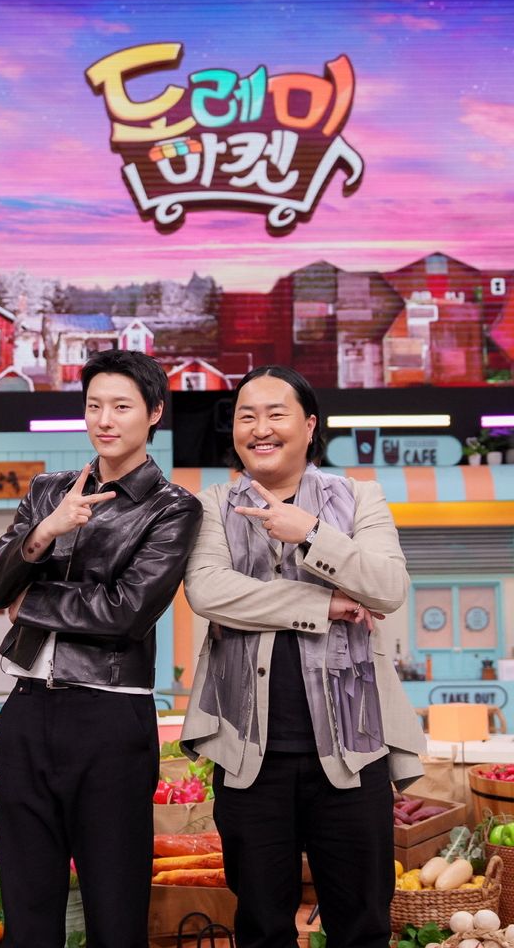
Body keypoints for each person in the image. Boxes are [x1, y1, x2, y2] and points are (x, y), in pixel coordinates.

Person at [181, 365, 426, 948]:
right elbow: (208, 591)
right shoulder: (213, 504)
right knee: (261, 927)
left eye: (276, 414)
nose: (260, 428)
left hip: (354, 750)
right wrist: (325, 604)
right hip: (248, 756)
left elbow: (388, 587)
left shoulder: (360, 497)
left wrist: (311, 532)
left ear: (310, 425)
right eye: (246, 416)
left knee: (362, 925)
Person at [0, 349, 203, 948]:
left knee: (114, 908)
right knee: (28, 904)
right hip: (27, 708)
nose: (104, 419)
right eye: (94, 405)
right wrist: (47, 530)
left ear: (153, 413)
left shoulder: (173, 507)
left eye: (121, 406)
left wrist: (30, 602)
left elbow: (126, 611)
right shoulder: (48, 490)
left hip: (109, 715)